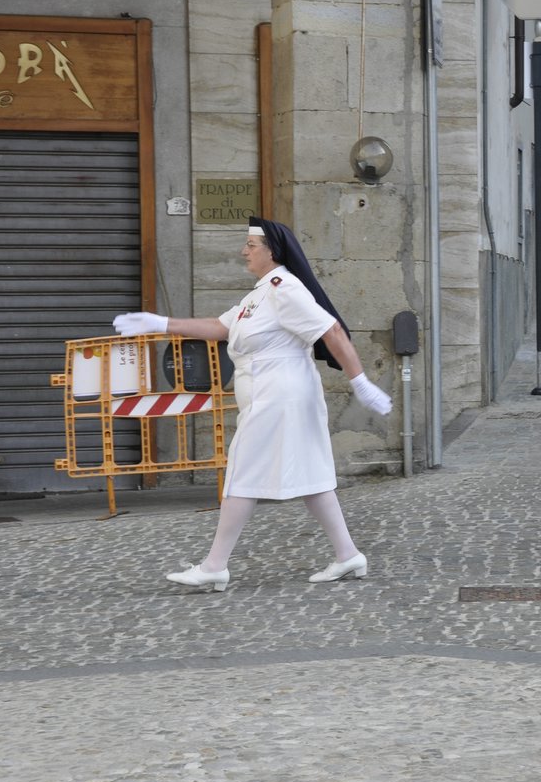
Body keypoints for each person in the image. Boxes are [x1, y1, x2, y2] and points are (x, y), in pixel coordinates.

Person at [113, 217, 393, 592]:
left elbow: (332, 330)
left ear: (272, 251)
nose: (244, 251)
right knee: (311, 476)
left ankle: (215, 565)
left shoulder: (285, 288)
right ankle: (348, 555)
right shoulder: (259, 294)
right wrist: (161, 324)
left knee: (242, 473)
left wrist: (358, 380)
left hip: (281, 394)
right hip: (272, 393)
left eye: (251, 245)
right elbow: (220, 326)